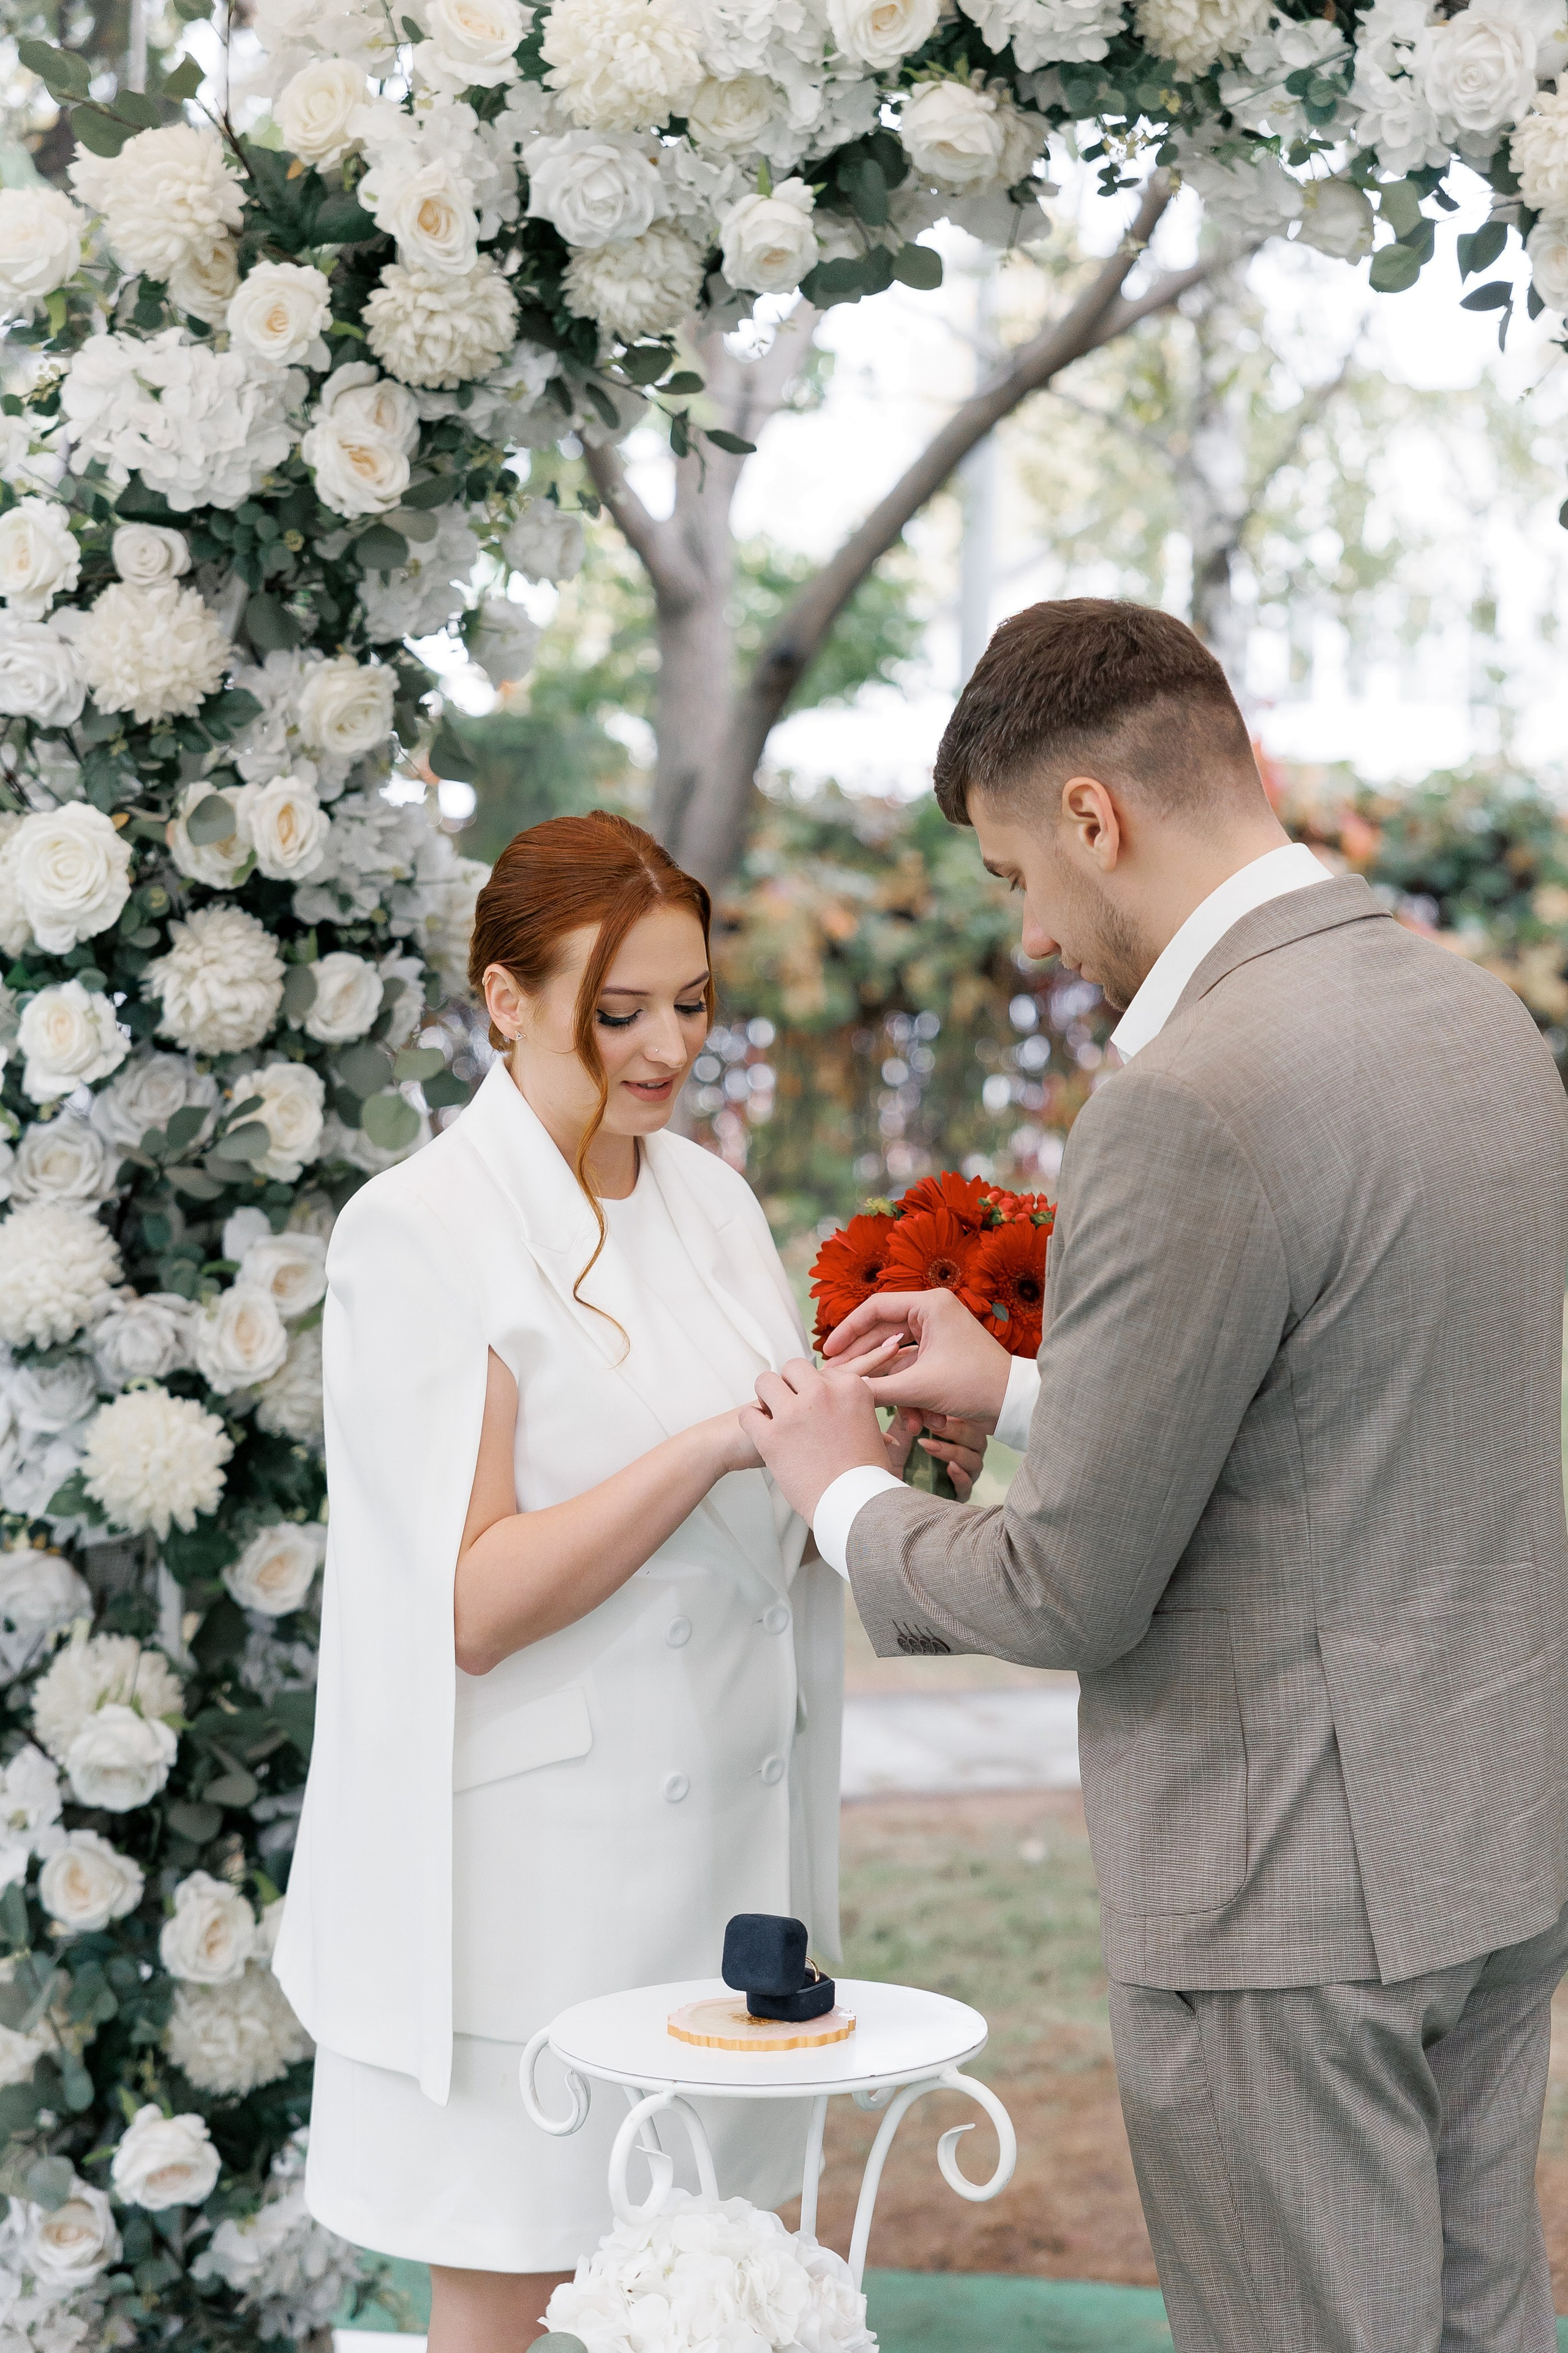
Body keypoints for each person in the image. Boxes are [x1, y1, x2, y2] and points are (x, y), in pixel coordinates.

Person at [742, 599, 1568, 2353]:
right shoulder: (1475, 1016)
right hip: (1493, 1840)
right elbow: (1356, 1401)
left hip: (1286, 1898)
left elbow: (1070, 1587)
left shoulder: (1189, 1093)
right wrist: (1036, 1378)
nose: (1037, 934)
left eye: (1012, 875)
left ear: (1094, 817)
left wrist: (840, 1491)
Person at [274, 811, 986, 2353]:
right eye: (620, 1013)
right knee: (515, 2309)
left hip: (730, 1878)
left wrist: (859, 1447)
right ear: (504, 1000)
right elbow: (468, 1605)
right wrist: (715, 1445)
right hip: (529, 1897)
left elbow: (763, 1507)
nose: (668, 1048)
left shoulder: (710, 1199)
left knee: (722, 2302)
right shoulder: (419, 1233)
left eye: (691, 1002)